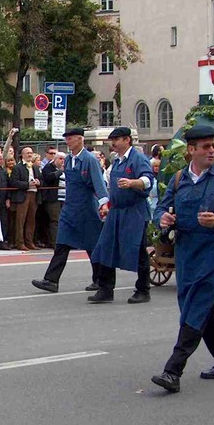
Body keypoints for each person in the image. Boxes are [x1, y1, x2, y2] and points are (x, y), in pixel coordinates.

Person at [150, 125, 214, 393]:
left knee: (197, 304)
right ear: (191, 150)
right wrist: (162, 218)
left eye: (213, 146)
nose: (211, 151)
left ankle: (173, 369)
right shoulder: (178, 179)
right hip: (186, 251)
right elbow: (160, 208)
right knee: (197, 306)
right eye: (205, 147)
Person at [32, 128, 109, 294]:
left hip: (87, 208)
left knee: (92, 245)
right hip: (69, 208)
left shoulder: (89, 160)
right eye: (66, 139)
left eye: (70, 138)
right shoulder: (68, 160)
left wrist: (104, 203)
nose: (67, 142)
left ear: (80, 139)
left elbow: (98, 183)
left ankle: (100, 279)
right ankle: (51, 280)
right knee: (62, 243)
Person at [88, 127, 156, 304]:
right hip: (116, 211)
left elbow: (149, 179)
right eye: (112, 140)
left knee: (138, 250)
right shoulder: (117, 161)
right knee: (106, 247)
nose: (113, 144)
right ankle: (105, 289)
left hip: (135, 211)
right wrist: (108, 204)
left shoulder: (138, 159)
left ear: (127, 140)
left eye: (116, 140)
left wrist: (133, 182)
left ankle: (143, 290)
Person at [10, 147, 42, 251]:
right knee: (20, 220)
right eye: (27, 153)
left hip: (34, 195)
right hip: (23, 195)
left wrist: (39, 183)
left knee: (31, 220)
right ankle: (20, 242)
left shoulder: (35, 167)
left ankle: (30, 241)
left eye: (31, 153)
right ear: (22, 155)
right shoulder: (17, 167)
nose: (29, 155)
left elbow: (42, 180)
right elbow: (14, 182)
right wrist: (27, 184)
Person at [39, 150, 63, 248]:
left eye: (64, 159)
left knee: (62, 221)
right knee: (55, 220)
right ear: (55, 159)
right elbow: (49, 177)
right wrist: (60, 171)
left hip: (64, 198)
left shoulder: (66, 168)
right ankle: (55, 242)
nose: (62, 161)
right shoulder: (48, 168)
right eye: (60, 159)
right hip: (52, 198)